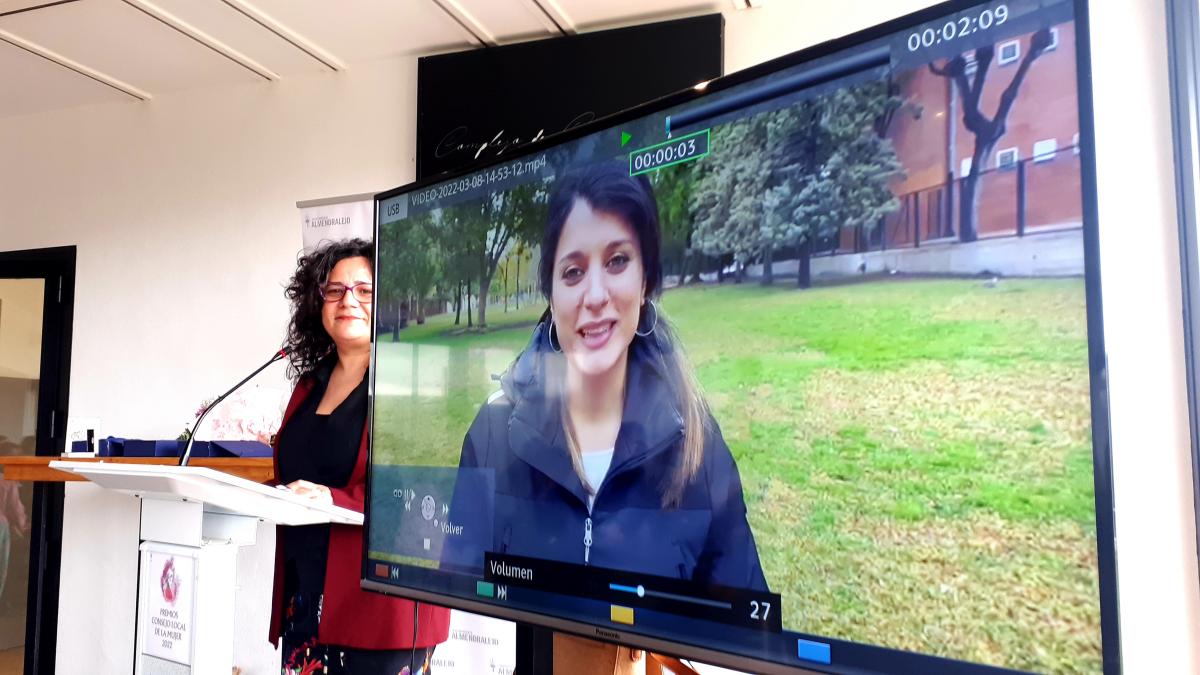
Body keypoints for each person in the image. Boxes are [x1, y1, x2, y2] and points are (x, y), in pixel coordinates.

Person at [447, 163, 768, 592]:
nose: (595, 296)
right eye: (573, 272)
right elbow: (454, 607)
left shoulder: (697, 443)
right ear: (552, 292)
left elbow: (745, 633)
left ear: (646, 280)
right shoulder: (492, 435)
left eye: (617, 261)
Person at [272, 238, 449, 675]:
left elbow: (420, 493)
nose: (347, 300)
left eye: (364, 290)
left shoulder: (410, 377)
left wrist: (334, 499)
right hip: (307, 604)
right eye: (334, 290)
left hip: (379, 611)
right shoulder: (310, 384)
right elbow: (300, 477)